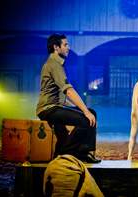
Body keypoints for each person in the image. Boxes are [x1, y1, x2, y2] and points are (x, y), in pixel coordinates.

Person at [36, 33, 101, 163]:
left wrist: (80, 109)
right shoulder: (54, 64)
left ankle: (81, 152)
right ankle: (65, 154)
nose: (68, 48)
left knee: (91, 113)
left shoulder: (54, 64)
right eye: (65, 44)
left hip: (55, 106)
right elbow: (69, 91)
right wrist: (85, 112)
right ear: (56, 47)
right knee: (85, 119)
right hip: (49, 109)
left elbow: (59, 97)